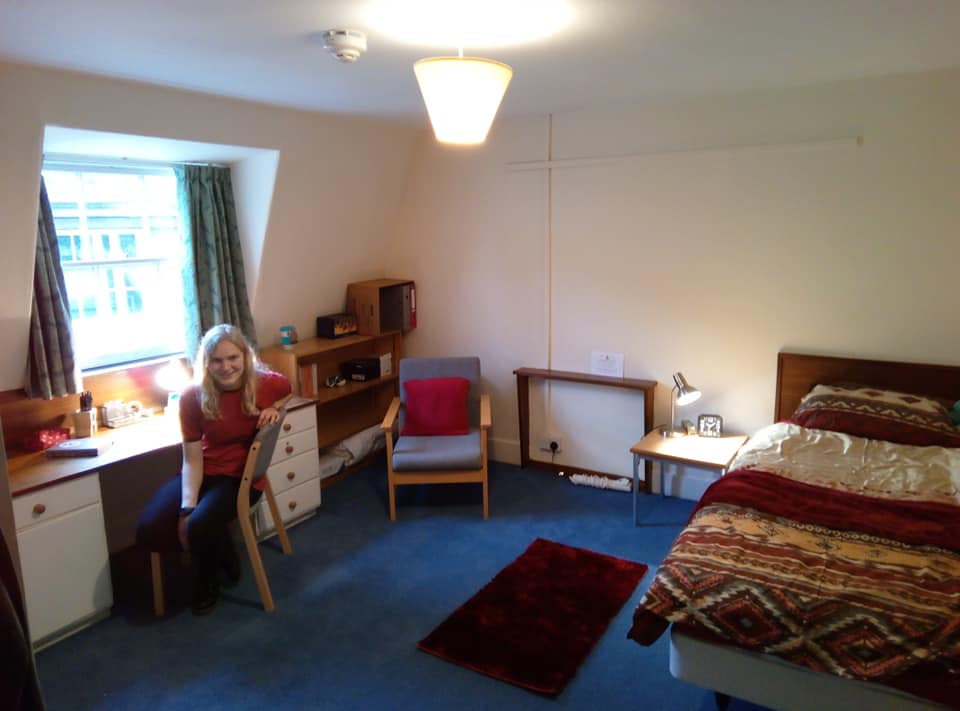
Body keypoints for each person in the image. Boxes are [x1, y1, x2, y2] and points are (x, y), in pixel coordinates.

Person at [137, 324, 291, 615]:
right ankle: (224, 550)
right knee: (150, 525)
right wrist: (186, 508)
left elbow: (288, 389)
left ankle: (207, 581)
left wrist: (275, 408)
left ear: (245, 356)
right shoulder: (192, 396)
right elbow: (193, 459)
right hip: (204, 470)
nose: (226, 367)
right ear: (206, 363)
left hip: (241, 477)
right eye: (217, 360)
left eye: (233, 358)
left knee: (200, 525)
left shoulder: (266, 383)